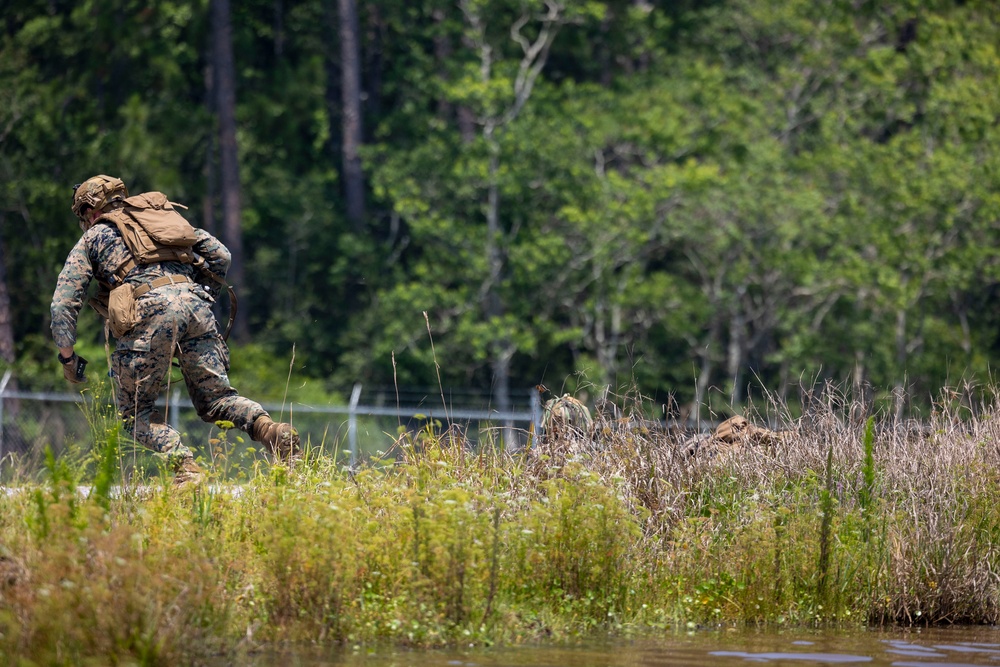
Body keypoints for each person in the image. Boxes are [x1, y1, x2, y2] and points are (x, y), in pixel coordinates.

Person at [50, 174, 299, 485]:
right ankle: (271, 430)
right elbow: (221, 255)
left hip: (149, 312)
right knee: (217, 400)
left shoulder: (94, 237)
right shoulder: (159, 219)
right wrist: (200, 296)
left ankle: (185, 470)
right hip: (197, 306)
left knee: (134, 417)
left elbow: (63, 304)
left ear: (90, 211)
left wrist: (68, 358)